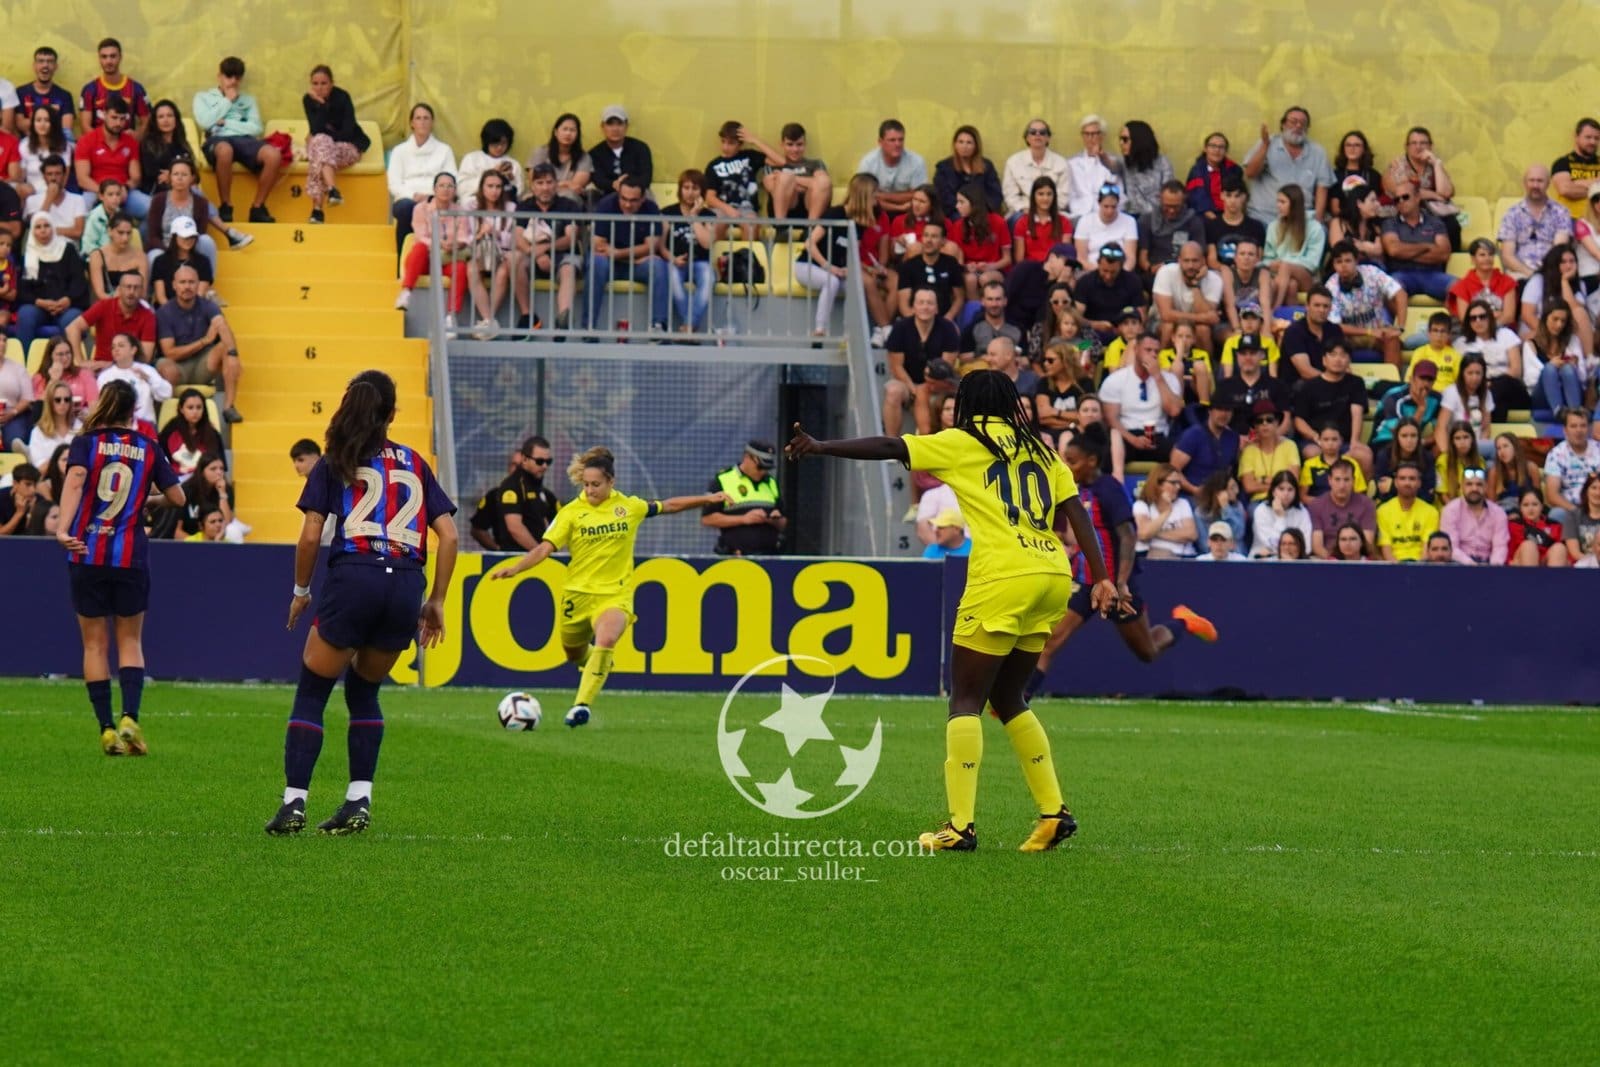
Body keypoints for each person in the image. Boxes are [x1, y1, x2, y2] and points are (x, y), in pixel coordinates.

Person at [786, 370, 1118, 853]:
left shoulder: (965, 440)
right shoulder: (1043, 450)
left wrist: (821, 446)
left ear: (968, 403)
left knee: (965, 699)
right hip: (1051, 573)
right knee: (1009, 696)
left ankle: (961, 827)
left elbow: (890, 445)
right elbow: (1077, 513)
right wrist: (1102, 576)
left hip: (1002, 575)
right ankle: (1053, 812)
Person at [265, 370, 458, 836]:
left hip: (356, 574)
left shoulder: (337, 460)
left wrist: (301, 591)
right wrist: (436, 600)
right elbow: (450, 536)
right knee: (364, 691)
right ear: (392, 414)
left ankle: (294, 804)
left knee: (313, 690)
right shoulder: (414, 462)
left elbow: (310, 534)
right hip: (406, 581)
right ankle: (358, 800)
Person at [490, 446, 725, 729]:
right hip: (577, 596)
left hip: (614, 595)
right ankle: (598, 663)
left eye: (596, 485)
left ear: (611, 481)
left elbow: (670, 505)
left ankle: (580, 705)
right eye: (586, 485)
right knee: (573, 653)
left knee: (607, 638)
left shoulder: (629, 507)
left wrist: (708, 498)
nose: (590, 490)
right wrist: (516, 568)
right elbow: (544, 549)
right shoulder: (571, 513)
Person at [1028, 422, 1216, 698]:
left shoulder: (1108, 488)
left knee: (1148, 651)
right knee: (1050, 643)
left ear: (1092, 461)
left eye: (1072, 461)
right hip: (1086, 582)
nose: (1066, 466)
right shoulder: (1074, 490)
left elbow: (1128, 536)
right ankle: (1015, 706)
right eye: (1065, 459)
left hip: (1116, 585)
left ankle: (1184, 621)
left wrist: (1121, 582)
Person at [53, 379, 185, 756]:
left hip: (87, 552)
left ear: (103, 404)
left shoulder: (86, 443)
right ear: (133, 410)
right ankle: (130, 717)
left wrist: (63, 528)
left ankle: (107, 730)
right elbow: (178, 497)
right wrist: (150, 501)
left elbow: (76, 481)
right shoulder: (148, 446)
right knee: (130, 641)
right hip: (130, 556)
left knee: (94, 644)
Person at [796, 172, 893, 341]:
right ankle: (820, 329)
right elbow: (809, 243)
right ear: (864, 196)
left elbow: (851, 253)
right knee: (831, 281)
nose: (876, 200)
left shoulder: (860, 223)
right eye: (874, 195)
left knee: (854, 285)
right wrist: (828, 266)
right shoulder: (835, 213)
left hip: (835, 270)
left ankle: (850, 333)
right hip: (809, 265)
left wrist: (862, 269)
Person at [192, 57, 282, 224]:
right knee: (225, 150)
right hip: (217, 139)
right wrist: (228, 101)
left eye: (237, 77)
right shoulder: (203, 97)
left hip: (244, 140)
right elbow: (204, 122)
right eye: (228, 76)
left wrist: (226, 123)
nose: (233, 81)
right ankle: (226, 206)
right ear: (219, 76)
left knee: (273, 155)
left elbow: (256, 128)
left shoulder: (248, 100)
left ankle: (258, 207)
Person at [156, 265, 243, 422]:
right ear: (174, 285)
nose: (187, 286)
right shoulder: (164, 312)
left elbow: (221, 325)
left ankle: (228, 407)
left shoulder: (208, 306)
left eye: (191, 282)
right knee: (166, 367)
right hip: (177, 366)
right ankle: (170, 415)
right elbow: (170, 353)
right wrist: (204, 342)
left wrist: (233, 354)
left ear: (198, 285)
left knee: (227, 347)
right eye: (182, 282)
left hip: (202, 365)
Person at [585, 174, 669, 333]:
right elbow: (598, 245)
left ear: (643, 198)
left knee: (658, 266)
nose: (627, 204)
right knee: (597, 263)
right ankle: (589, 327)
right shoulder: (606, 204)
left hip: (632, 263)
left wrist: (619, 254)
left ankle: (658, 327)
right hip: (614, 262)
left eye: (633, 200)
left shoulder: (651, 208)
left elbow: (651, 246)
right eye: (623, 199)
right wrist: (631, 257)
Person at [1100, 333, 1184, 479]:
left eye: (1156, 351)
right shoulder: (1116, 380)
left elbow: (1174, 411)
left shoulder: (1169, 379)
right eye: (1148, 350)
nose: (1153, 355)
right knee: (1106, 454)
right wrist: (1133, 439)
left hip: (1157, 435)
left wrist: (1158, 377)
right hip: (1127, 434)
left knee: (1183, 452)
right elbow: (1111, 419)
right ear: (1136, 349)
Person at [884, 286, 961, 435]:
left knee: (936, 392)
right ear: (913, 307)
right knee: (893, 391)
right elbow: (896, 366)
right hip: (906, 382)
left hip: (938, 382)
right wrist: (914, 389)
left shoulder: (948, 328)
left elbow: (945, 368)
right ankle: (891, 443)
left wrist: (926, 387)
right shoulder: (900, 328)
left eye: (930, 303)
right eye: (921, 302)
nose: (925, 307)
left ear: (936, 308)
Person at [393, 172, 471, 319]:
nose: (445, 189)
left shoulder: (460, 211)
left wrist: (455, 244)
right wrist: (440, 243)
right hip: (425, 260)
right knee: (420, 248)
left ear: (455, 190)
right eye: (441, 186)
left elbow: (463, 236)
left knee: (460, 267)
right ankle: (405, 293)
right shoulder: (421, 209)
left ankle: (451, 316)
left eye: (450, 186)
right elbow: (420, 236)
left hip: (446, 259)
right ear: (434, 189)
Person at [302, 65, 370, 224]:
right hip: (325, 149)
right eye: (315, 84)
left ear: (331, 83)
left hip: (349, 146)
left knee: (318, 146)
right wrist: (320, 104)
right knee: (320, 146)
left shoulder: (342, 97)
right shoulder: (308, 100)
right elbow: (316, 128)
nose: (319, 88)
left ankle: (317, 210)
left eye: (324, 83)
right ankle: (332, 190)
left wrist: (324, 138)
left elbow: (347, 132)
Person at [1244, 106, 1334, 225]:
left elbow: (1322, 188)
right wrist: (1265, 145)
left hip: (1301, 220)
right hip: (1265, 217)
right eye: (1293, 121)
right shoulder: (1267, 143)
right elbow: (1250, 173)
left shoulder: (1317, 152)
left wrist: (1317, 222)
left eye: (1303, 123)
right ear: (1283, 125)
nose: (1298, 126)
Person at [387, 103, 456, 258]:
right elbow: (394, 184)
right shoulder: (399, 151)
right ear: (412, 123)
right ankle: (404, 262)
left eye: (426, 118)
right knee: (406, 209)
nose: (422, 122)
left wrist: (431, 197)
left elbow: (451, 179)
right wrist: (414, 196)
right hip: (407, 200)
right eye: (418, 118)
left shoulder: (444, 150)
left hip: (436, 199)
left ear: (432, 122)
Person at [1323, 241, 1405, 368]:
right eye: (1339, 262)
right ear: (1334, 265)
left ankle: (1392, 380)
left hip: (1377, 329)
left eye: (1348, 261)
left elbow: (1400, 293)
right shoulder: (1331, 286)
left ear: (1356, 261)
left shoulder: (1372, 272)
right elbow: (1336, 326)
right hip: (1348, 336)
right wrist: (1369, 332)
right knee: (1331, 340)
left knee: (1392, 339)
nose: (1343, 265)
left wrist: (1400, 327)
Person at [145, 158, 235, 274]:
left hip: (190, 247)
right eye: (176, 174)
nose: (179, 178)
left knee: (206, 241)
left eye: (184, 175)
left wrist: (184, 250)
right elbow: (153, 236)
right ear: (170, 177)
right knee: (154, 255)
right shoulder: (158, 200)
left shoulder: (201, 203)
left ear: (192, 178)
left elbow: (200, 232)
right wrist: (168, 251)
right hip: (164, 248)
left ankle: (207, 282)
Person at [15, 213, 88, 354]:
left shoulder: (68, 249)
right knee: (25, 315)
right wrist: (40, 302)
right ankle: (25, 361)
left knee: (71, 319)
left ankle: (71, 363)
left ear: (53, 228)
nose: (43, 230)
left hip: (67, 306)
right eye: (38, 227)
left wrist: (67, 300)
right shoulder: (29, 254)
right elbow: (23, 289)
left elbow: (79, 281)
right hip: (39, 307)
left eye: (47, 226)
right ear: (32, 231)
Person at [1291, 340, 1371, 466]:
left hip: (1344, 442)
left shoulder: (1356, 383)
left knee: (1364, 455)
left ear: (1349, 360)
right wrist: (1316, 437)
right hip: (1315, 442)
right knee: (1313, 453)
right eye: (1333, 355)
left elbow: (1357, 413)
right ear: (1324, 360)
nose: (1338, 359)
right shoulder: (1308, 386)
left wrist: (1354, 441)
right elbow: (1299, 420)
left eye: (1343, 355)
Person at [702, 439, 786, 555]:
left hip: (769, 556)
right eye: (760, 467)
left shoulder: (771, 483)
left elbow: (783, 522)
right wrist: (744, 519)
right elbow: (707, 519)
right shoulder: (723, 480)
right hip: (736, 556)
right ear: (747, 457)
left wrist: (773, 520)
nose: (763, 472)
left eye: (766, 468)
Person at [462, 171, 517, 338]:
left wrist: (496, 233)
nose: (494, 191)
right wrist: (480, 234)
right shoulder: (470, 206)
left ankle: (487, 322)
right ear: (482, 187)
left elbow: (515, 238)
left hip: (501, 253)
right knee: (471, 270)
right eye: (490, 186)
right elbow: (465, 236)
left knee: (503, 272)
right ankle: (489, 321)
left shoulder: (511, 208)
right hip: (479, 252)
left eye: (498, 187)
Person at [1382, 126, 1459, 245]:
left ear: (1430, 146)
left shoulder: (1432, 164)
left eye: (1423, 143)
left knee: (1451, 224)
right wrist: (1435, 195)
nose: (1418, 147)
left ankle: (1449, 256)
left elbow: (1446, 192)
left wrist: (1437, 164)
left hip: (1431, 212)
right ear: (1407, 147)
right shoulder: (1397, 165)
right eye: (1414, 143)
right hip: (1403, 211)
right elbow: (1406, 193)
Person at [1381, 179, 1453, 300]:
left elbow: (1444, 254)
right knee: (1391, 289)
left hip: (1433, 275)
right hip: (1402, 274)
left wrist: (1405, 253)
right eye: (1397, 199)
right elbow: (1394, 250)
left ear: (1417, 197)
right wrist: (1427, 247)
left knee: (1459, 288)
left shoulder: (1435, 222)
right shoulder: (1390, 223)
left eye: (1405, 197)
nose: (1401, 202)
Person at [1497, 165, 1572, 281]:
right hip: (1520, 274)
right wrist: (1532, 275)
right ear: (1524, 183)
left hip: (1551, 273)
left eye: (1540, 181)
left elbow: (1558, 251)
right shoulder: (1512, 213)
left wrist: (1544, 276)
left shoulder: (1561, 212)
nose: (1535, 185)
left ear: (1548, 184)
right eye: (1531, 180)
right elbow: (1507, 256)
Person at [74, 97, 145, 219]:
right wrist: (106, 193)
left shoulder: (131, 142)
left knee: (151, 208)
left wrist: (125, 188)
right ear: (104, 115)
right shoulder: (86, 141)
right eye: (114, 118)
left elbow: (136, 177)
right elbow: (82, 179)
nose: (118, 123)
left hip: (123, 191)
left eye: (122, 119)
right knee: (80, 212)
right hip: (95, 190)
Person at [1456, 297, 1529, 413]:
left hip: (1510, 387)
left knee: (1501, 386)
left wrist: (1491, 384)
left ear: (1490, 318)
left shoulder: (1506, 335)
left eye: (1482, 317)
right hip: (1478, 388)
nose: (1478, 321)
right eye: (1473, 318)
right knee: (1498, 402)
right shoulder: (1461, 344)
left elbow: (1516, 371)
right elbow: (1460, 374)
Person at [759, 122, 832, 228]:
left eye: (799, 144)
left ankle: (811, 229)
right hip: (785, 209)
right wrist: (809, 184)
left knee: (823, 181)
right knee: (785, 177)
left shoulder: (816, 163)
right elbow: (772, 188)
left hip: (809, 209)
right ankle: (781, 228)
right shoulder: (773, 165)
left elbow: (824, 185)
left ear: (805, 144)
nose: (795, 149)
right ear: (782, 144)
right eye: (790, 144)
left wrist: (792, 180)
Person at [702, 121, 767, 237]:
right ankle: (713, 250)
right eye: (723, 141)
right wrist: (728, 209)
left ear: (740, 144)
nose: (725, 147)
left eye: (731, 143)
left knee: (751, 225)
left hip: (746, 209)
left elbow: (780, 161)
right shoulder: (714, 165)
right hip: (721, 208)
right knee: (714, 224)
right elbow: (709, 197)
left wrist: (755, 140)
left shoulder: (749, 156)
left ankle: (745, 250)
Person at [1262, 184, 1325, 300]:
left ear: (1294, 204)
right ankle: (1288, 311)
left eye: (1282, 202)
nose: (1278, 206)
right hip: (1280, 275)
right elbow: (1268, 257)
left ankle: (1274, 307)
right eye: (1278, 201)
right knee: (1292, 285)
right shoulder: (1273, 226)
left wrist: (1285, 264)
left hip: (1308, 277)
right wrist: (1272, 264)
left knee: (1286, 267)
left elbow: (1312, 263)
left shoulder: (1315, 228)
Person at [1526, 299, 1589, 413]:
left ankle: (1575, 413)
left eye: (1563, 321)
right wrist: (1551, 366)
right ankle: (1559, 412)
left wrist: (1575, 367)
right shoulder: (1531, 344)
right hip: (1542, 396)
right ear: (1545, 318)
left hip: (1569, 390)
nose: (1559, 325)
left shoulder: (1572, 341)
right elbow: (1530, 380)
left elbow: (1583, 378)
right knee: (1550, 369)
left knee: (1568, 369)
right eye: (1555, 319)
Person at [79, 38, 151, 134]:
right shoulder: (89, 90)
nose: (108, 61)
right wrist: (103, 142)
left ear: (120, 57)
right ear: (99, 59)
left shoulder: (136, 88)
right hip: (98, 143)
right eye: (104, 57)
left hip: (127, 143)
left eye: (113, 56)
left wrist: (134, 138)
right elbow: (85, 125)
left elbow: (147, 122)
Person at [1169, 395, 1240, 494]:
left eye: (1228, 410)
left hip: (1220, 495)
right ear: (1210, 411)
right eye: (1219, 409)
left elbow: (1229, 470)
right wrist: (1195, 490)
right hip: (1191, 495)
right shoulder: (1193, 434)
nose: (1224, 414)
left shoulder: (1233, 438)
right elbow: (1173, 470)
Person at [951, 183, 1011, 298]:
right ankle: (975, 309)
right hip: (970, 271)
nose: (957, 206)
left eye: (961, 202)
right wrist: (966, 267)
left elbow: (1007, 259)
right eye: (957, 202)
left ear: (974, 203)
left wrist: (991, 266)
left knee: (985, 278)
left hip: (995, 269)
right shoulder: (958, 226)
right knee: (970, 279)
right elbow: (959, 261)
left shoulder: (998, 222)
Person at [1307, 458, 1376, 558]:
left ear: (1353, 481)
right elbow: (1317, 546)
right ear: (1329, 480)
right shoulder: (1316, 505)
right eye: (1337, 479)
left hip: (1357, 558)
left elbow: (1367, 542)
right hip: (1326, 559)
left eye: (1346, 480)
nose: (1342, 486)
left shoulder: (1366, 504)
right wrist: (1333, 562)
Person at [1438, 467, 1508, 565]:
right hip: (1458, 565)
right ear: (1462, 486)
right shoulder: (1450, 510)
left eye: (1479, 484)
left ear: (1486, 487)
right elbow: (1451, 547)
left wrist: (1493, 568)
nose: (1474, 489)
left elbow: (1500, 547)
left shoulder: (1498, 513)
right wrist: (1472, 565)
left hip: (1489, 565)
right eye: (1469, 484)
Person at [857, 119, 927, 215]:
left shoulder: (916, 161)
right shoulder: (868, 162)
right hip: (875, 212)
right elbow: (864, 197)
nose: (897, 144)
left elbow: (919, 196)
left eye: (901, 140)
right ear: (880, 142)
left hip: (908, 212)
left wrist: (882, 195)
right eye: (892, 140)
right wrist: (900, 207)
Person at [1105, 120, 1174, 218]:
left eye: (1125, 139)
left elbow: (1169, 193)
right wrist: (1102, 156)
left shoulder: (1163, 163)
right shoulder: (1125, 162)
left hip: (1157, 216)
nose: (1121, 143)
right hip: (1132, 215)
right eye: (1120, 139)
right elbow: (1112, 166)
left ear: (1138, 140)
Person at [1002, 120, 1071, 217]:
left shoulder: (1061, 163)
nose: (1037, 135)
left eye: (1042, 132)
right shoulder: (1013, 162)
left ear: (1048, 138)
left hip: (1053, 211)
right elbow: (1010, 195)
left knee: (1065, 222)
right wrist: (1025, 209)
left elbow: (1064, 196)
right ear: (1027, 138)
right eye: (1033, 132)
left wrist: (1045, 211)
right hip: (1023, 212)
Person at [1544, 406, 1600, 525]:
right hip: (1570, 508)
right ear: (1565, 430)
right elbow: (1552, 495)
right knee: (1556, 514)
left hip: (1598, 504)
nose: (1579, 430)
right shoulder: (1556, 454)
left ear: (1589, 429)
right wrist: (1576, 511)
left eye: (1583, 425)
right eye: (1573, 426)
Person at [933, 125, 1002, 219]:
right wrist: (964, 208)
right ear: (955, 145)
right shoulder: (943, 168)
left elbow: (995, 194)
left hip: (982, 212)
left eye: (969, 143)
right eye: (961, 142)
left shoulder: (986, 166)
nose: (964, 146)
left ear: (976, 146)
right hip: (954, 212)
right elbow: (944, 197)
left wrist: (977, 210)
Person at [1238, 398, 1300, 502]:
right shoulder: (1249, 450)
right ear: (1255, 426)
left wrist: (1261, 480)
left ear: (1277, 422)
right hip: (1259, 502)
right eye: (1259, 421)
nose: (1265, 424)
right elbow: (1249, 486)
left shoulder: (1290, 445)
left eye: (1269, 420)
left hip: (1286, 499)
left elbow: (1293, 481)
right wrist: (1279, 485)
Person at [1376, 462, 1440, 561]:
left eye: (1412, 479)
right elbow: (1386, 549)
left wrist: (1418, 568)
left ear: (1419, 483)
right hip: (1392, 566)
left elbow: (1427, 550)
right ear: (1395, 482)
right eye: (1402, 478)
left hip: (1421, 565)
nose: (1407, 483)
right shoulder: (1383, 511)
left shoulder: (1431, 512)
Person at [457, 118, 524, 214]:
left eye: (503, 143)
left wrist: (511, 180)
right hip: (475, 204)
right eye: (495, 143)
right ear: (487, 141)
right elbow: (462, 189)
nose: (499, 147)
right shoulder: (472, 158)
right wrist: (493, 174)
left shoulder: (514, 164)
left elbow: (519, 193)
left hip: (503, 207)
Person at [1447, 238, 1518, 328]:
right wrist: (1495, 314)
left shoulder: (1508, 282)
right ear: (1473, 259)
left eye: (1490, 254)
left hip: (1502, 329)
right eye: (1482, 255)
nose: (1487, 258)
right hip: (1473, 331)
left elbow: (1509, 316)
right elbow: (1465, 318)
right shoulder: (1462, 286)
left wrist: (1489, 327)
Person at [1132, 463, 1197, 558]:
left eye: (1179, 483)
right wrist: (1166, 512)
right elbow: (1144, 535)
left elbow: (1191, 534)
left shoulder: (1182, 503)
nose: (1178, 487)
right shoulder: (1142, 505)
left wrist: (1154, 533)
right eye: (1173, 483)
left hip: (1185, 556)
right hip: (1156, 558)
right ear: (1158, 484)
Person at [587, 105, 653, 198]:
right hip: (607, 194)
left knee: (647, 194)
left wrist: (626, 185)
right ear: (602, 127)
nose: (615, 129)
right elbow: (598, 179)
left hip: (636, 193)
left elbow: (646, 177)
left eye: (619, 124)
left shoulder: (641, 148)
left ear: (626, 126)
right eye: (610, 124)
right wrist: (614, 184)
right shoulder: (595, 153)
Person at [158, 387, 224, 479]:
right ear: (181, 409)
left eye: (199, 407)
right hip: (176, 480)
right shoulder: (170, 430)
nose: (195, 412)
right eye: (190, 408)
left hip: (203, 480)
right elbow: (161, 459)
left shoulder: (212, 433)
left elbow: (219, 463)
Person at [1281, 286, 1345, 380]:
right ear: (1307, 306)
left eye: (1325, 306)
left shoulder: (1335, 330)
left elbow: (1343, 363)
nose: (1321, 310)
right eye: (1317, 305)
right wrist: (1333, 381)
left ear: (1330, 308)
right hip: (1298, 384)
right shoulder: (1294, 331)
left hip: (1328, 382)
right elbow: (1305, 371)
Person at [1205, 172, 1266, 269]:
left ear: (1244, 197)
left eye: (1237, 196)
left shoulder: (1256, 226)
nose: (1232, 201)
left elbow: (1258, 259)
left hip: (1248, 272)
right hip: (1220, 273)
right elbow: (1212, 260)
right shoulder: (1211, 225)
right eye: (1228, 195)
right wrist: (1226, 271)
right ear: (1222, 196)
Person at [149, 216, 214, 305]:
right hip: (166, 310)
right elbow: (160, 297)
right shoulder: (160, 261)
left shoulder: (203, 262)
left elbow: (200, 294)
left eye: (192, 237)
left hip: (194, 309)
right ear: (174, 236)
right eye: (185, 237)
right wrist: (173, 312)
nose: (189, 240)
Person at [87, 206, 148, 301]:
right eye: (120, 233)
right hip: (106, 303)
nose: (125, 238)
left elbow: (142, 293)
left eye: (129, 233)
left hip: (132, 303)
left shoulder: (140, 256)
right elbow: (99, 293)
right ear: (109, 231)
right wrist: (116, 299)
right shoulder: (97, 256)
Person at [528, 113, 592, 203]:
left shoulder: (584, 157)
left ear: (577, 134)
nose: (568, 133)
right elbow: (534, 182)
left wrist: (549, 185)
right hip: (541, 195)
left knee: (568, 196)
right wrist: (565, 184)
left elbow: (576, 187)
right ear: (556, 132)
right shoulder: (540, 152)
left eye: (572, 130)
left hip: (569, 199)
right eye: (565, 129)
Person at [1373, 416, 1437, 504]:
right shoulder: (1385, 455)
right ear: (1397, 437)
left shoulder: (1427, 457)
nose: (1409, 440)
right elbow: (1382, 491)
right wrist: (1414, 488)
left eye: (1413, 435)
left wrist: (1393, 487)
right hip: (1392, 504)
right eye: (1404, 436)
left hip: (1419, 506)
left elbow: (1428, 495)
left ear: (1419, 437)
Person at [1073, 183, 1138, 267]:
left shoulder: (1129, 221)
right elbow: (1081, 258)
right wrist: (1098, 272)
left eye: (1113, 207)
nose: (1109, 211)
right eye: (1106, 206)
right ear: (1099, 203)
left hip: (1120, 269)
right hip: (1091, 268)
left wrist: (1123, 271)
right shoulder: (1084, 221)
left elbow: (1130, 258)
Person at [1011, 177, 1073, 265]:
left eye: (1049, 194)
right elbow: (1019, 259)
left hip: (1054, 268)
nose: (1045, 198)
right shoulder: (1022, 222)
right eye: (1041, 194)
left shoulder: (1064, 222)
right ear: (1033, 196)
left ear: (1054, 196)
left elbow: (1065, 254)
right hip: (1030, 268)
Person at [1250, 470, 1312, 558]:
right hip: (1265, 560)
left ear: (1295, 492)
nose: (1286, 493)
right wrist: (1280, 517)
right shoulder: (1261, 510)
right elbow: (1272, 545)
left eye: (1290, 489)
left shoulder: (1302, 511)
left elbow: (1307, 547)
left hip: (1295, 560)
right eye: (1281, 489)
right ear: (1273, 491)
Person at [1299, 424, 1369, 500]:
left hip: (1345, 505)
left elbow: (1359, 493)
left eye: (1334, 439)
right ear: (1319, 441)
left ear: (1341, 441)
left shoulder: (1351, 463)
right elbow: (1303, 496)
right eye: (1326, 439)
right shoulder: (1309, 465)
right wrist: (1324, 504)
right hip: (1318, 505)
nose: (1330, 443)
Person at [31, 334, 98, 414]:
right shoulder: (39, 378)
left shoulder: (84, 374)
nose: (65, 358)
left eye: (68, 353)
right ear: (50, 356)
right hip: (50, 419)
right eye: (60, 354)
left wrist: (85, 416)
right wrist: (53, 380)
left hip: (78, 418)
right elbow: (38, 410)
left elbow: (94, 407)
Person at [17, 46, 75, 135]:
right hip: (28, 141)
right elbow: (20, 124)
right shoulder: (21, 92)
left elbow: (66, 128)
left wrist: (34, 121)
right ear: (34, 66)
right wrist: (52, 119)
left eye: (50, 61)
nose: (45, 65)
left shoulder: (65, 96)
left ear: (56, 66)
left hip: (56, 142)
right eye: (41, 61)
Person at [1550, 117, 1600, 217]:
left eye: (1596, 138)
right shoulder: (1563, 163)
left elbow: (1570, 188)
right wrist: (1597, 186)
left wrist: (1576, 184)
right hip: (1569, 220)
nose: (1593, 142)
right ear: (1576, 137)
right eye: (1588, 137)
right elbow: (1565, 190)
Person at [1184, 132, 1241, 219]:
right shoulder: (1197, 171)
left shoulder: (1233, 170)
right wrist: (1216, 220)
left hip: (1229, 214)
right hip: (1204, 216)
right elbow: (1197, 197)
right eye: (1213, 146)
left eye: (1221, 147)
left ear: (1225, 151)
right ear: (1205, 149)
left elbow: (1238, 196)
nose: (1217, 150)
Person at [1327, 183, 1386, 266]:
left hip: (1370, 269)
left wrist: (1362, 246)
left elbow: (1379, 252)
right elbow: (1339, 253)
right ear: (1359, 203)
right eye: (1373, 200)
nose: (1378, 204)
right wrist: (1369, 248)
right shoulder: (1338, 222)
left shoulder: (1376, 225)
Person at [1508, 489, 1569, 567]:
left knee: (1559, 548)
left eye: (1535, 504)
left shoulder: (1555, 525)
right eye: (1526, 505)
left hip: (1547, 562)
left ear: (1542, 506)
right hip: (1520, 563)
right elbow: (1508, 555)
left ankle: (1553, 575)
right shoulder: (1513, 525)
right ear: (1520, 507)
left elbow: (1567, 557)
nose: (1530, 509)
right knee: (1528, 546)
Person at [26, 380, 79, 467]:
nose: (63, 403)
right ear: (50, 402)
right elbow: (39, 467)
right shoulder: (38, 431)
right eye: (58, 400)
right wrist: (60, 460)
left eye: (67, 400)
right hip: (50, 474)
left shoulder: (80, 427)